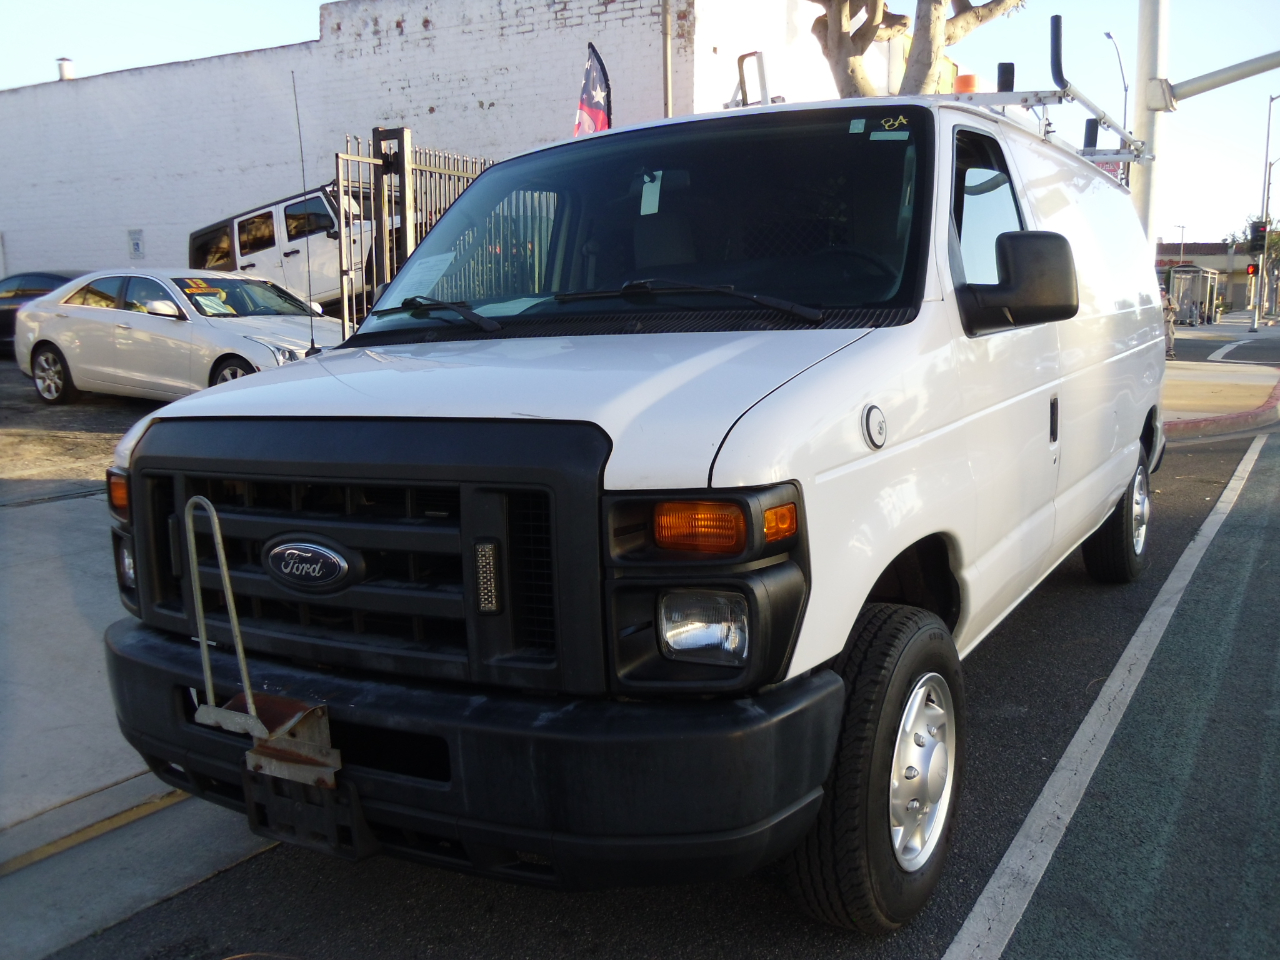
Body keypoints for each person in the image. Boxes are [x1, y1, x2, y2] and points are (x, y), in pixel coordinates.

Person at [1162, 287, 1177, 359]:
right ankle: (1165, 349)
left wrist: (1172, 307)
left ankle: (1169, 350)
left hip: (1168, 319)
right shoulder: (1157, 299)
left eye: (1162, 291)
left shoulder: (1169, 299)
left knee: (1169, 334)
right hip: (1160, 320)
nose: (1161, 293)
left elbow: (1177, 307)